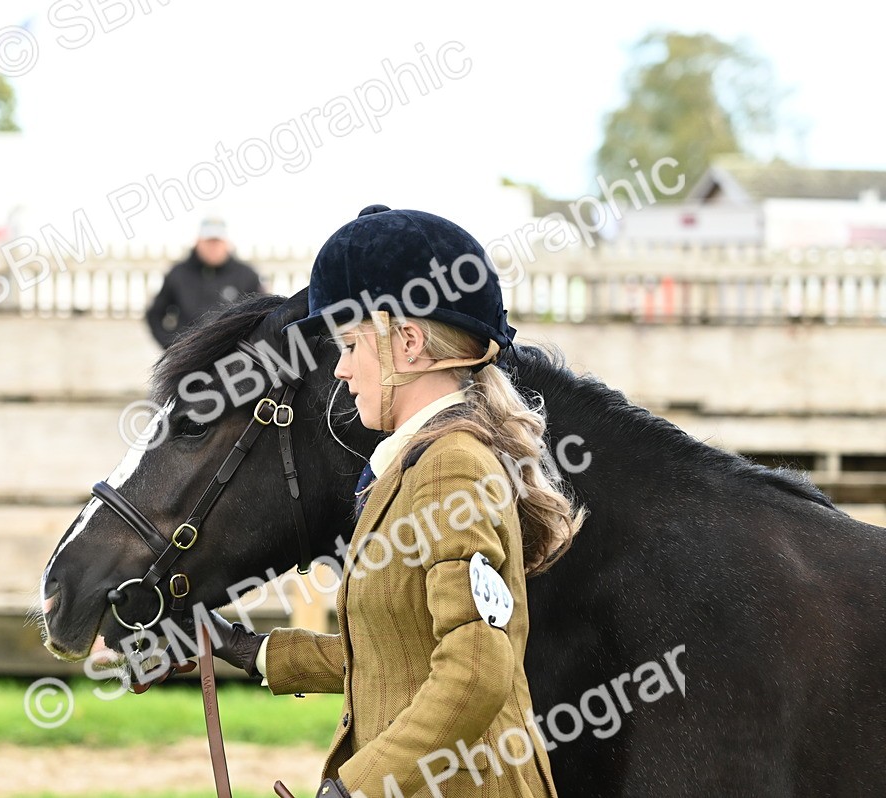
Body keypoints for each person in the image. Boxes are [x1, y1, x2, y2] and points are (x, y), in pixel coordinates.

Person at [200, 205, 587, 797]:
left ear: (407, 343)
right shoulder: (420, 464)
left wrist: (355, 787)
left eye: (352, 346)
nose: (343, 370)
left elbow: (476, 671)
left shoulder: (451, 467)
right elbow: (395, 653)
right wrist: (247, 651)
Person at [145, 216, 263, 348]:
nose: (213, 247)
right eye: (208, 242)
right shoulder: (178, 273)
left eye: (217, 242)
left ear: (226, 243)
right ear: (198, 242)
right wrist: (170, 346)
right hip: (186, 355)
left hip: (229, 355)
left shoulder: (246, 275)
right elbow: (155, 314)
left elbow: (262, 317)